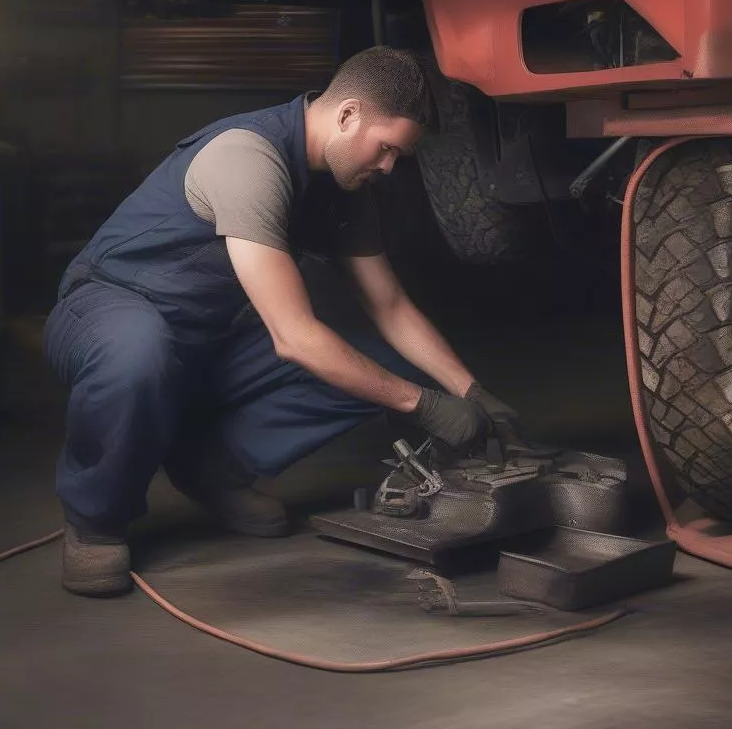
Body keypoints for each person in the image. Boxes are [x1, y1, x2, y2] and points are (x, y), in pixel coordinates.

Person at [43, 46, 519, 597]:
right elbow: (294, 337)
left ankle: (209, 468)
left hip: (207, 333)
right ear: (348, 115)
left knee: (381, 368)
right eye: (387, 149)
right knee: (139, 352)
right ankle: (95, 521)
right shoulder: (249, 158)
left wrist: (470, 390)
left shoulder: (345, 186)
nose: (389, 168)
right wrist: (425, 405)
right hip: (107, 309)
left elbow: (390, 307)